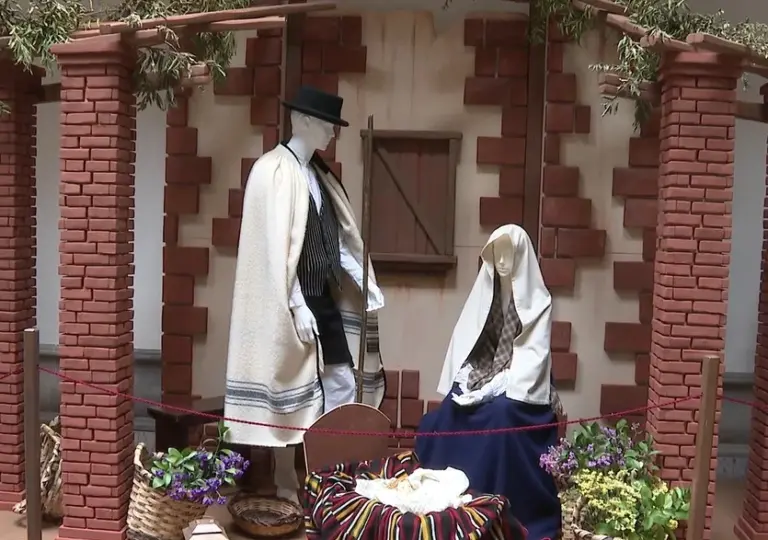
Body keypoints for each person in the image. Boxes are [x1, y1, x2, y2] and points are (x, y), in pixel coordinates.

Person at [223, 85, 386, 496]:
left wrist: (366, 284)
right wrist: (294, 304)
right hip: (289, 301)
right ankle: (285, 481)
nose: (334, 134)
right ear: (309, 122)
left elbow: (339, 240)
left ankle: (325, 475)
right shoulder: (272, 171)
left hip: (323, 298)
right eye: (330, 125)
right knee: (292, 394)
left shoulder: (320, 176)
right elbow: (275, 252)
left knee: (342, 384)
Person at [415, 224, 562, 540]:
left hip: (523, 389)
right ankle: (457, 499)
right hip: (485, 375)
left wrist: (505, 384)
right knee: (447, 412)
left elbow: (532, 359)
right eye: (498, 253)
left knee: (501, 417)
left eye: (509, 253)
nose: (503, 261)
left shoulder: (538, 301)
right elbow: (472, 341)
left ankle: (496, 505)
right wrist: (473, 382)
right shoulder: (489, 290)